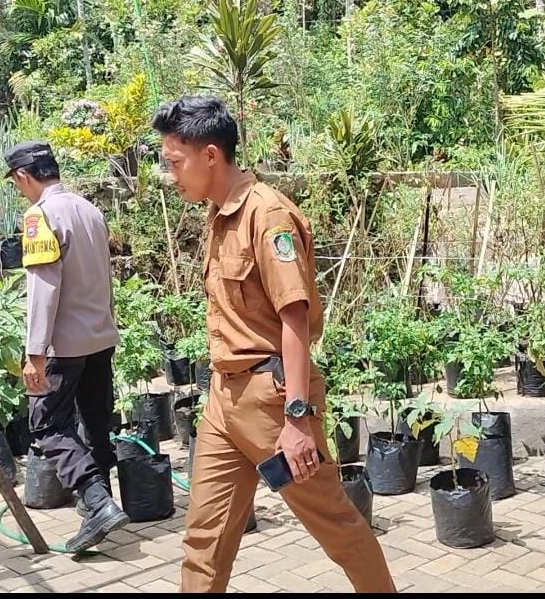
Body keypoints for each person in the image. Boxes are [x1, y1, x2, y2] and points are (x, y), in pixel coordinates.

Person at [152, 96, 396, 593]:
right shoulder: (219, 213)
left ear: (210, 155)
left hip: (272, 402)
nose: (170, 175)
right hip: (224, 400)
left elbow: (295, 319)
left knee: (336, 528)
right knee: (204, 540)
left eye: (175, 162)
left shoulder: (268, 216)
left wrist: (297, 419)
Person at [4, 141, 129, 553]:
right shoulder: (90, 209)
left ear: (23, 176)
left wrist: (35, 354)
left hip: (64, 345)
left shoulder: (39, 216)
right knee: (95, 420)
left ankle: (96, 502)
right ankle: (102, 502)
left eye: (16, 183)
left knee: (47, 423)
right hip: (100, 337)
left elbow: (44, 289)